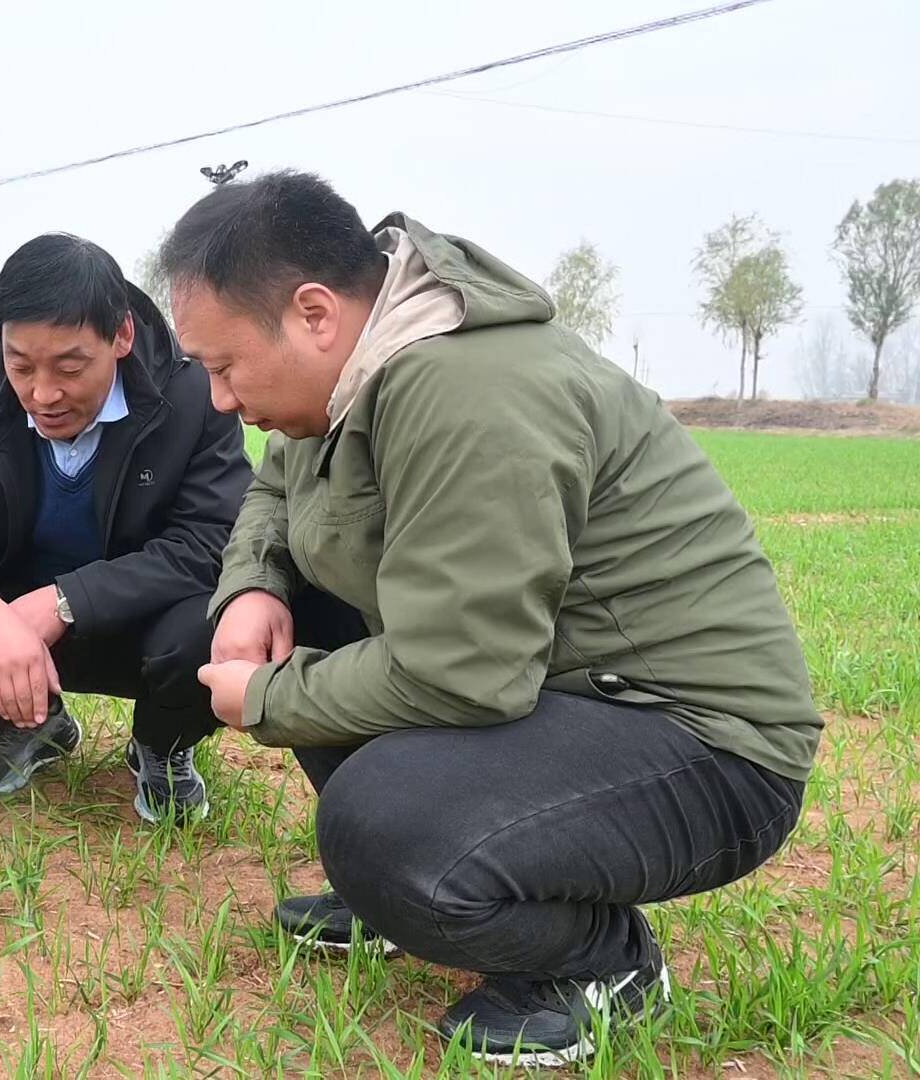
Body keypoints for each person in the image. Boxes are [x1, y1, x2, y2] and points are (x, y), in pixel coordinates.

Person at [163, 170, 821, 1065]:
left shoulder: (464, 389)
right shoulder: (359, 369)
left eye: (224, 365)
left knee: (379, 825)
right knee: (318, 613)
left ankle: (600, 969)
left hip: (703, 744)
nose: (220, 401)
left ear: (315, 313)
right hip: (565, 688)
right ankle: (423, 886)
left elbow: (463, 669)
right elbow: (279, 479)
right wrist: (254, 588)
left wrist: (271, 697)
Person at [0, 234, 251, 822]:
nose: (42, 394)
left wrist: (67, 601)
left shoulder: (191, 395)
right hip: (10, 632)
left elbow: (209, 540)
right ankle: (31, 730)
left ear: (121, 336)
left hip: (141, 626)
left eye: (70, 367)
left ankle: (161, 749)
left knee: (214, 624)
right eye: (21, 365)